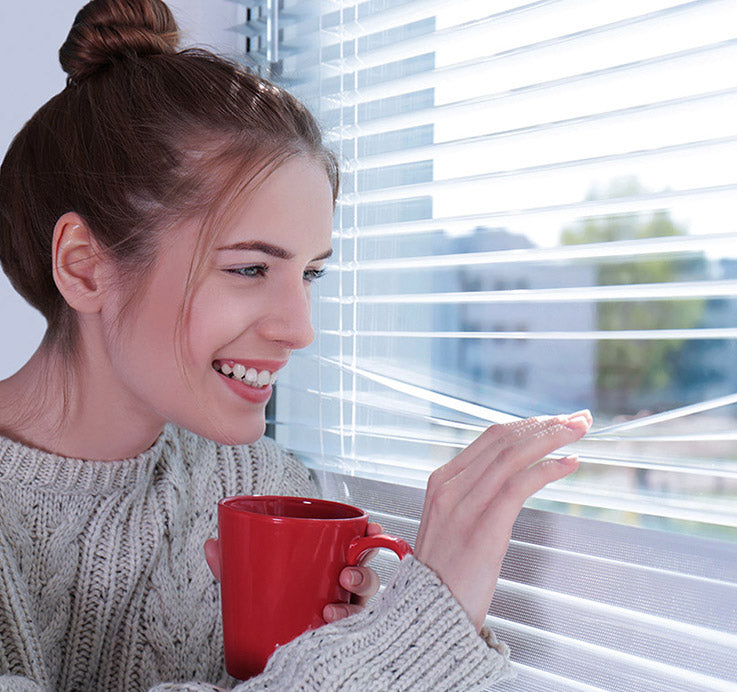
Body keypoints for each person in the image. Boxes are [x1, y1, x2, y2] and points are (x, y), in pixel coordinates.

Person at [0, 0, 592, 689]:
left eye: (310, 274)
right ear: (84, 266)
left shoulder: (260, 488)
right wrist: (412, 640)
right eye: (250, 268)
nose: (300, 328)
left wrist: (360, 643)